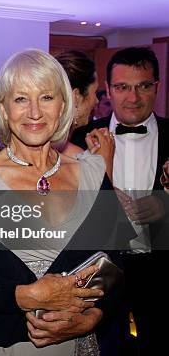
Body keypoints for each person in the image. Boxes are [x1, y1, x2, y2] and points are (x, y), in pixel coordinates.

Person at [0, 49, 125, 356]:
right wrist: (24, 296)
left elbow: (116, 266)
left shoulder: (92, 173)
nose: (35, 112)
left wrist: (94, 316)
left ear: (63, 104)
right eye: (21, 98)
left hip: (75, 345)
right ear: (3, 106)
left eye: (47, 97)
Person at [71, 46, 169, 355]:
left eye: (143, 86)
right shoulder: (78, 139)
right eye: (123, 87)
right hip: (98, 269)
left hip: (160, 272)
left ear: (158, 86)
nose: (133, 96)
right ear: (108, 90)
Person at [55, 50, 115, 180]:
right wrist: (104, 163)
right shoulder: (73, 156)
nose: (96, 101)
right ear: (76, 97)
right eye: (94, 92)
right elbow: (104, 200)